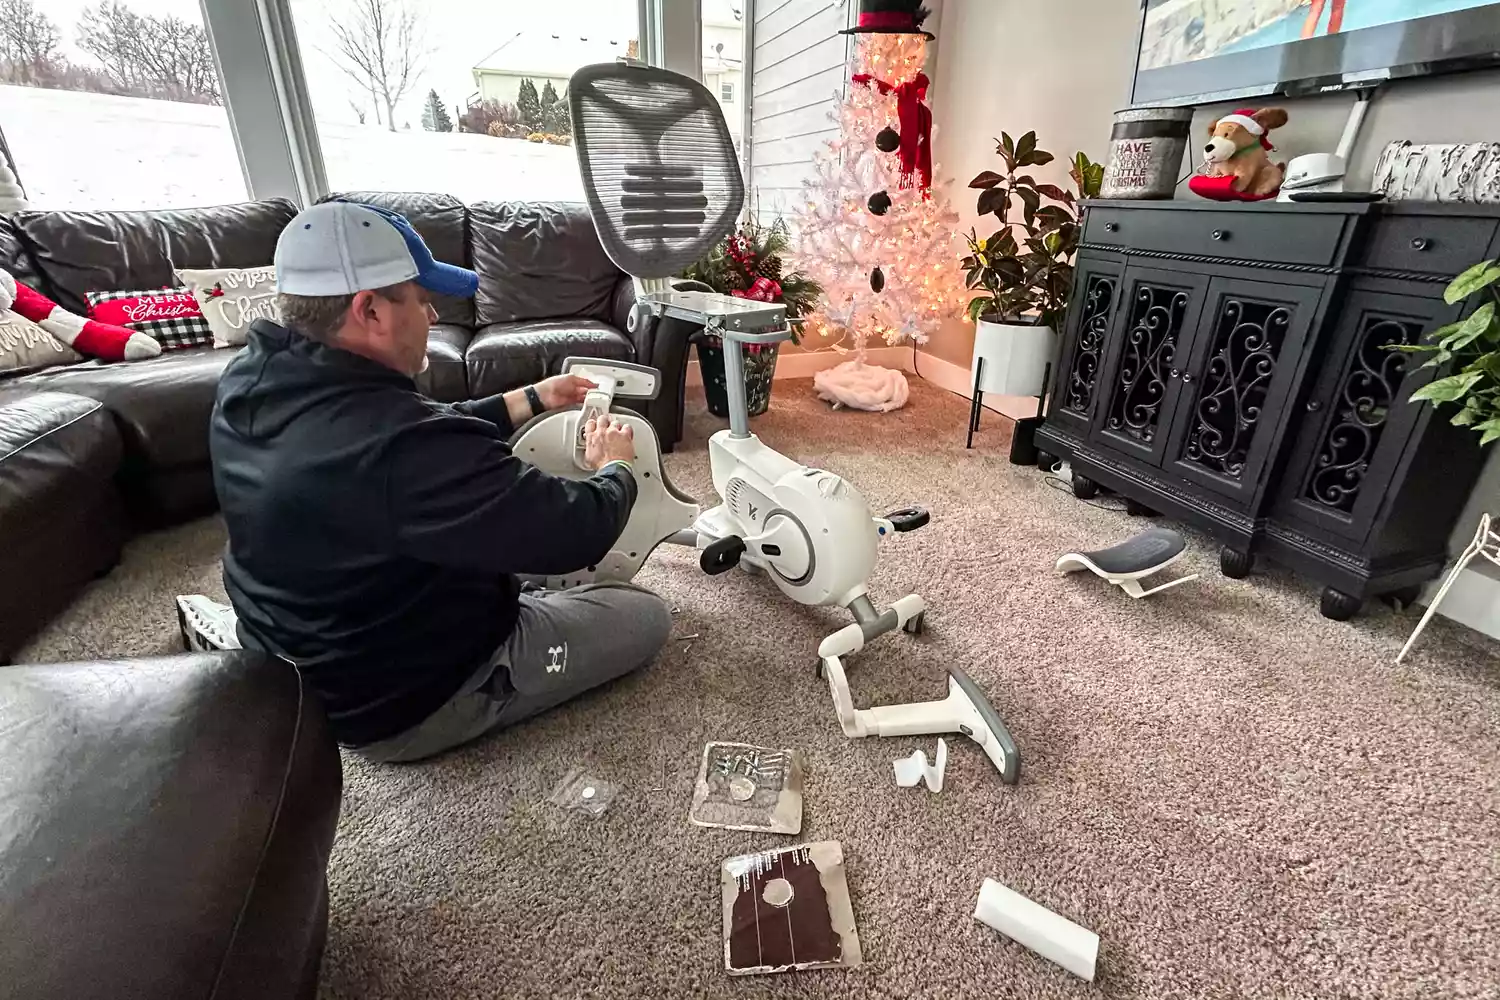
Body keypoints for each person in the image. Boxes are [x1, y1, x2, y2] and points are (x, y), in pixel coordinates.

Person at [206, 200, 673, 763]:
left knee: (511, 538)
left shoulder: (252, 380)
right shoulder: (402, 450)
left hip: (301, 655)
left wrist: (532, 398)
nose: (432, 318)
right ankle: (495, 674)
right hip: (399, 705)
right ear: (370, 310)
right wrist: (616, 466)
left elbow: (424, 440)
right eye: (423, 301)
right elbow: (580, 529)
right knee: (645, 617)